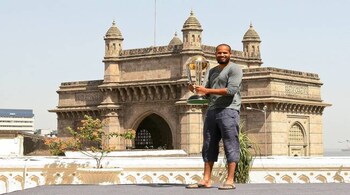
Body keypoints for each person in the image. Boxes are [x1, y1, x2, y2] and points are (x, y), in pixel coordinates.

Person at [186, 43, 242, 190]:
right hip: (212, 110)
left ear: (230, 54)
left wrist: (207, 89)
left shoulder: (235, 69)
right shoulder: (212, 71)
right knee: (209, 144)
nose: (222, 55)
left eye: (225, 53)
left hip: (228, 110)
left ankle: (230, 180)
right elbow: (206, 91)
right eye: (219, 53)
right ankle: (206, 180)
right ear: (215, 54)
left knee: (230, 143)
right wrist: (195, 88)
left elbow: (231, 90)